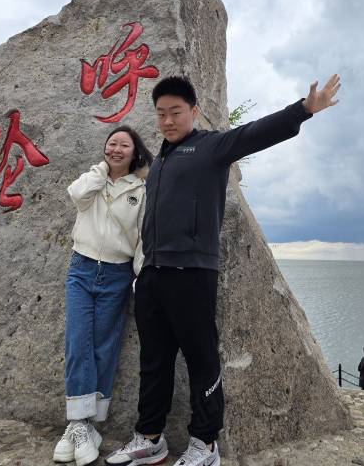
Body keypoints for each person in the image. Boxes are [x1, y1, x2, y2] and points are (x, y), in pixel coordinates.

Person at [106, 74, 340, 466]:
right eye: (161, 113)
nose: (167, 120)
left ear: (194, 112)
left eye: (176, 112)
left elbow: (255, 133)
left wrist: (304, 110)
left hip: (192, 273)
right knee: (154, 361)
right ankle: (149, 437)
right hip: (152, 275)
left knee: (201, 360)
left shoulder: (211, 147)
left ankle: (205, 444)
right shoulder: (159, 162)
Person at [53, 126, 153, 466]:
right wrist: (101, 171)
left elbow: (143, 238)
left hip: (117, 273)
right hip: (81, 269)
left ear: (135, 151)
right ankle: (78, 424)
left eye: (124, 145)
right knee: (77, 341)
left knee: (104, 347)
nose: (116, 149)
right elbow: (77, 196)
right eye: (112, 144)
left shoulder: (140, 189)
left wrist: (140, 278)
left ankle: (87, 426)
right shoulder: (92, 181)